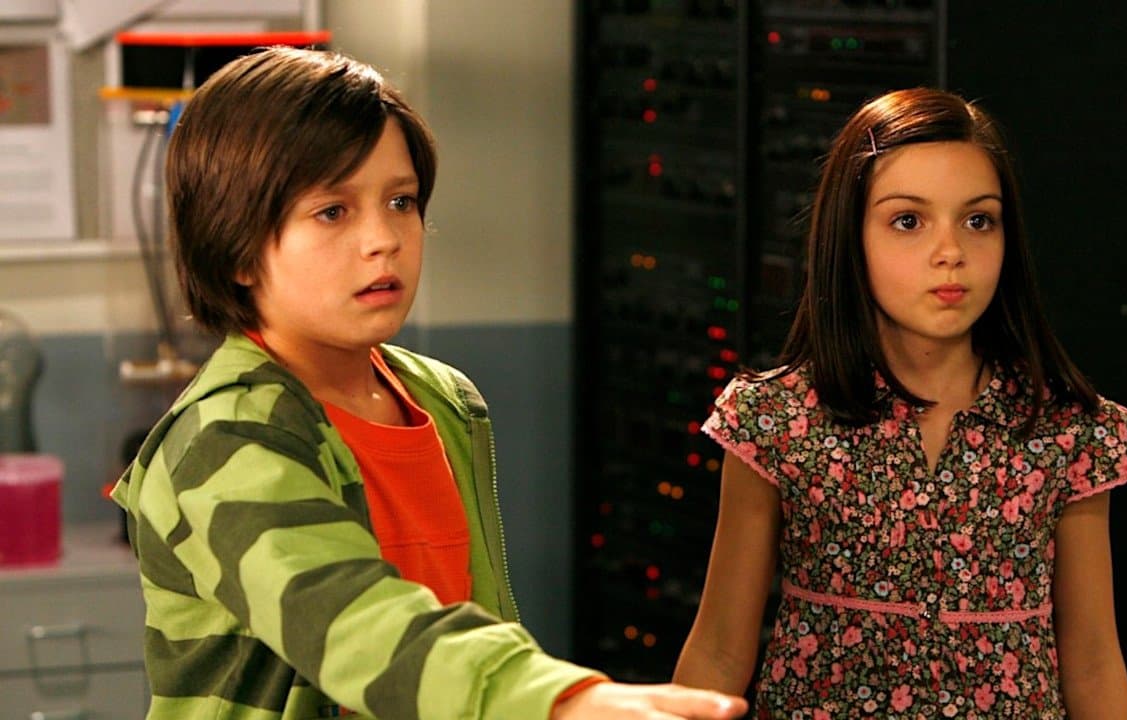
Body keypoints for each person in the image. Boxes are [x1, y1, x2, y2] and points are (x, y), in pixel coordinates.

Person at [110, 46, 747, 720]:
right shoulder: (225, 436)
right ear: (235, 247)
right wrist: (557, 701)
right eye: (333, 211)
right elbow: (353, 622)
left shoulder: (443, 397)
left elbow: (471, 617)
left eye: (401, 201)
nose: (384, 239)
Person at [672, 87, 1127, 719]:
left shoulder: (1069, 431)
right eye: (908, 221)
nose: (950, 252)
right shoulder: (776, 421)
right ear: (851, 234)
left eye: (978, 221)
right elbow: (717, 653)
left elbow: (1092, 661)